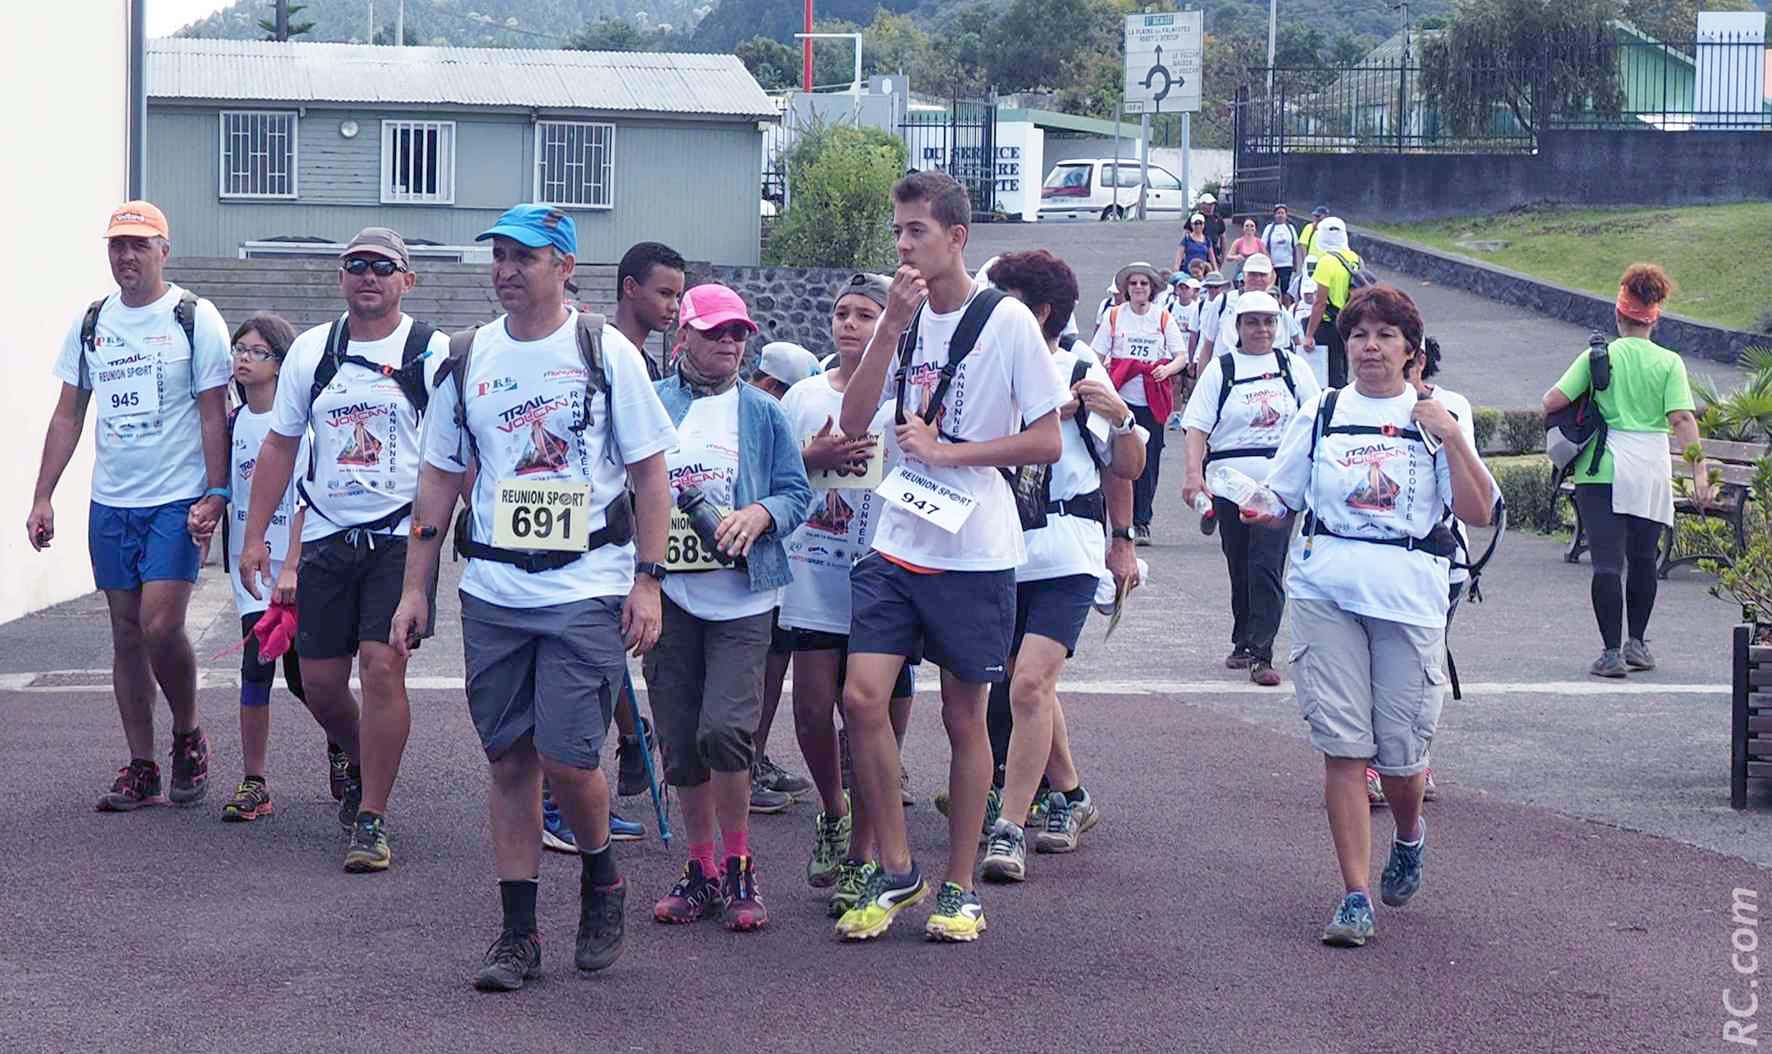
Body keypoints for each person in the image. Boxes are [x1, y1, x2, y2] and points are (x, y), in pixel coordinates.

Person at [389, 204, 676, 991]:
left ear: (565, 267)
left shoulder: (604, 352)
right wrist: (417, 589)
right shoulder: (464, 355)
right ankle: (518, 935)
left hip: (587, 583)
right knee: (509, 759)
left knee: (568, 755)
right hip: (493, 588)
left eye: (526, 256)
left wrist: (649, 579)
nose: (507, 270)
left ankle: (601, 875)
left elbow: (652, 472)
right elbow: (440, 476)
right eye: (500, 257)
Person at [835, 169, 1066, 943]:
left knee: (966, 715)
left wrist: (953, 450)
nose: (902, 247)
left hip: (975, 546)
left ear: (956, 238)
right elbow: (855, 417)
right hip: (896, 536)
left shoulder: (1005, 323)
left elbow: (1046, 438)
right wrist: (889, 332)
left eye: (917, 233)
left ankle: (961, 886)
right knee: (862, 697)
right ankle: (898, 868)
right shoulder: (897, 320)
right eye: (897, 232)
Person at [1242, 284, 1498, 948]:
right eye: (1358, 334)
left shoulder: (1444, 412)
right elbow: (1283, 491)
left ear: (1411, 349)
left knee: (1403, 754)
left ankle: (1409, 835)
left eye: (1385, 335)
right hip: (1326, 590)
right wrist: (1259, 504)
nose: (1370, 346)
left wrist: (1451, 440)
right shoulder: (1322, 411)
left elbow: (1477, 512)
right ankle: (1355, 894)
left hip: (1409, 595)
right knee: (1344, 747)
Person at [238, 227, 449, 873]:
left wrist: (435, 537)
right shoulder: (311, 350)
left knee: (383, 668)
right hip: (328, 537)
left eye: (384, 266)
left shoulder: (431, 352)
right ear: (340, 277)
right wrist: (255, 538)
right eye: (356, 265)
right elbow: (280, 445)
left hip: (398, 539)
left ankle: (371, 816)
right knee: (322, 684)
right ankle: (358, 757)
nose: (369, 276)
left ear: (406, 280)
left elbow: (450, 457)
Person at [30, 201, 233, 812]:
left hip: (174, 499)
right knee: (124, 633)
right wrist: (43, 494)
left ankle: (188, 734)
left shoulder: (194, 318)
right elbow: (70, 412)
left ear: (163, 250)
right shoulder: (93, 322)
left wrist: (216, 492)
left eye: (139, 245)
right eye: (117, 245)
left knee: (160, 624)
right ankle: (142, 765)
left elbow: (212, 413)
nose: (126, 256)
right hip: (112, 500)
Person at [646, 283, 811, 933]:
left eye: (739, 332)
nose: (730, 343)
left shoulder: (764, 413)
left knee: (726, 732)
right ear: (682, 334)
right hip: (670, 596)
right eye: (716, 331)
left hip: (744, 597)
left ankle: (741, 865)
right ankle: (702, 869)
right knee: (682, 743)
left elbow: (796, 493)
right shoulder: (654, 405)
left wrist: (761, 512)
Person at [979, 250, 1144, 882]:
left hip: (1066, 549)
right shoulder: (984, 365)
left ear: (1039, 311)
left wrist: (1119, 415)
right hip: (997, 547)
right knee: (1026, 685)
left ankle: (1008, 828)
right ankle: (1070, 795)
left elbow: (1124, 465)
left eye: (1003, 298)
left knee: (1027, 684)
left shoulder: (1078, 367)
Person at [778, 272, 920, 915]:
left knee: (872, 723)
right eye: (842, 313)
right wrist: (815, 453)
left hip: (885, 582)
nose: (850, 323)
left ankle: (864, 855)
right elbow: (773, 472)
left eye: (866, 313)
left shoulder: (907, 394)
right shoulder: (803, 396)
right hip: (812, 574)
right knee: (812, 710)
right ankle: (832, 812)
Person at [198, 315, 335, 821]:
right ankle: (255, 780)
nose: (243, 358)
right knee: (255, 668)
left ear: (282, 363)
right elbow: (228, 489)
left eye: (257, 352)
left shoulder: (301, 425)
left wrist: (293, 566)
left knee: (307, 679)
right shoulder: (233, 425)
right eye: (239, 349)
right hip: (251, 572)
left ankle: (342, 746)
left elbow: (306, 500)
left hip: (297, 567)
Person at [1543, 263, 1709, 678]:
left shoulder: (1598, 356)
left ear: (1619, 315)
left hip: (1602, 468)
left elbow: (1551, 400)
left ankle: (1611, 653)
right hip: (1651, 467)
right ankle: (1638, 645)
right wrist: (1700, 472)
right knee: (1642, 559)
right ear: (1655, 318)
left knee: (1605, 563)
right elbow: (1683, 420)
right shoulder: (1670, 363)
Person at [1180, 291, 1321, 687]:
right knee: (1239, 562)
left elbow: (1316, 422)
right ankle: (1243, 638)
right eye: (1252, 322)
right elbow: (1197, 426)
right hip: (1230, 481)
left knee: (1267, 564)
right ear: (1237, 327)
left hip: (1279, 485)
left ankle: (1262, 652)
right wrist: (1194, 475)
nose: (1262, 329)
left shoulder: (1293, 367)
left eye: (1269, 322)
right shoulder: (1222, 369)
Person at [748, 339, 823, 810]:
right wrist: (818, 457)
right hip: (753, 561)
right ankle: (743, 764)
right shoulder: (753, 411)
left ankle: (753, 757)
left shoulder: (763, 406)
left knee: (773, 664)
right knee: (759, 671)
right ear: (777, 387)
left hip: (786, 561)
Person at [1099, 263, 1187, 546]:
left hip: (1151, 400)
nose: (1138, 288)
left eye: (1144, 284)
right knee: (1115, 460)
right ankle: (1115, 521)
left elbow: (1181, 355)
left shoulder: (1162, 318)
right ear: (1126, 288)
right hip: (1120, 399)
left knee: (1148, 461)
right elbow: (1095, 352)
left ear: (1152, 289)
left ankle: (1142, 521)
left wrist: (1167, 370)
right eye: (1133, 283)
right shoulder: (1113, 316)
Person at [613, 241, 687, 381]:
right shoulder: (597, 357)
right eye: (665, 293)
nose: (675, 307)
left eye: (677, 296)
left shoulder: (649, 367)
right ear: (630, 288)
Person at [1304, 217, 1361, 388]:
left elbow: (1320, 302)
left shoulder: (1326, 262)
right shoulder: (1354, 258)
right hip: (1350, 322)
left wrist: (1309, 334)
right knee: (1343, 366)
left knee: (1329, 372)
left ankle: (1332, 405)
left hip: (1330, 323)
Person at [1263, 205, 1300, 303]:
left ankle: (1285, 310)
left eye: (1282, 213)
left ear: (1286, 215)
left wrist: (1295, 264)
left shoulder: (1291, 228)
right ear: (1274, 215)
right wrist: (1269, 260)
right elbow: (1263, 247)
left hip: (1286, 264)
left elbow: (1295, 247)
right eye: (1278, 213)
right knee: (1271, 290)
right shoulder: (1269, 228)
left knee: (1286, 290)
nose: (1280, 215)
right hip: (1272, 265)